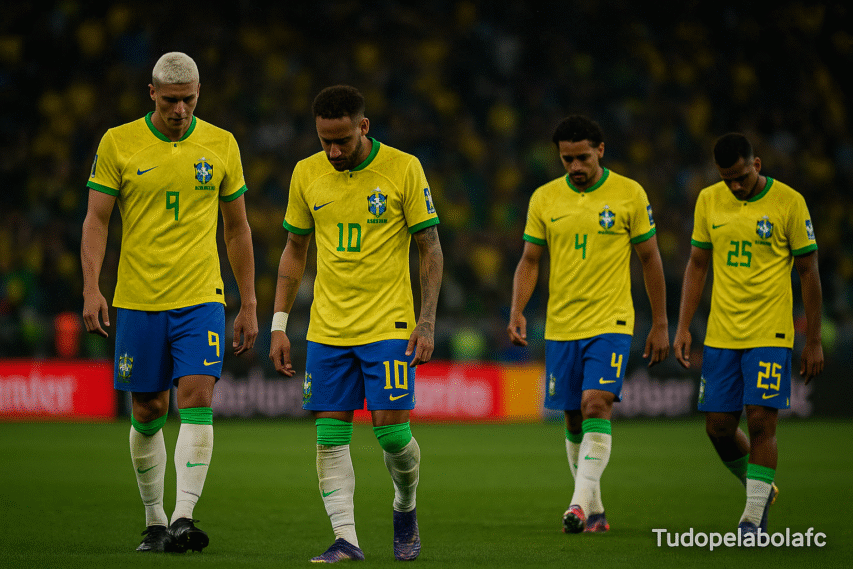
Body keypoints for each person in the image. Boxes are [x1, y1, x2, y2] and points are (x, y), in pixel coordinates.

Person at [81, 52, 258, 553]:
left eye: (190, 100)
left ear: (199, 93)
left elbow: (238, 227)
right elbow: (97, 220)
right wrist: (92, 286)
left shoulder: (221, 144)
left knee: (197, 396)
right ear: (152, 93)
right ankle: (155, 520)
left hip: (202, 296)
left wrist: (248, 303)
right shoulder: (118, 142)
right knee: (148, 409)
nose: (181, 110)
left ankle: (184, 517)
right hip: (137, 299)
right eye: (172, 100)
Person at [269, 85, 442, 562]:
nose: (333, 150)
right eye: (325, 140)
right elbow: (294, 250)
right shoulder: (306, 173)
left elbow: (429, 246)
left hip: (388, 323)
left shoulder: (403, 168)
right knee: (329, 437)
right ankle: (347, 538)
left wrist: (425, 323)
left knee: (390, 433)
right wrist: (279, 324)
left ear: (363, 127)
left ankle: (404, 505)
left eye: (342, 140)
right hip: (326, 329)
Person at [507, 114, 669, 534]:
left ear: (600, 150)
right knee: (573, 418)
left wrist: (661, 323)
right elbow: (529, 260)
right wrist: (517, 309)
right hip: (561, 326)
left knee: (595, 404)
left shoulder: (629, 194)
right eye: (567, 160)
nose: (575, 167)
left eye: (582, 158)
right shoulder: (544, 198)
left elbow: (650, 259)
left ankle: (577, 506)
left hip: (611, 321)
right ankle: (596, 512)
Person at [673, 133, 823, 535]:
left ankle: (752, 517)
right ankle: (761, 488)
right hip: (722, 333)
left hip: (770, 332)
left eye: (740, 176)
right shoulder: (709, 200)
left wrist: (814, 339)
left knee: (760, 421)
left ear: (756, 164)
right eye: (727, 179)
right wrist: (684, 326)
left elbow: (808, 272)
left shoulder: (788, 202)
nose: (735, 186)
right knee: (718, 428)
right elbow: (698, 265)